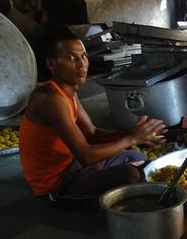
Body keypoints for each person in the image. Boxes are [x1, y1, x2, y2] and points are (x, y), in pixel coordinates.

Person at [19, 31, 166, 201]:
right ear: (51, 64)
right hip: (57, 183)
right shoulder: (49, 98)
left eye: (84, 56)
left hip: (74, 165)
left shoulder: (68, 91)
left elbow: (92, 134)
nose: (82, 64)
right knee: (130, 174)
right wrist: (132, 138)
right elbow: (86, 156)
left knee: (136, 157)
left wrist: (137, 135)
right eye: (70, 57)